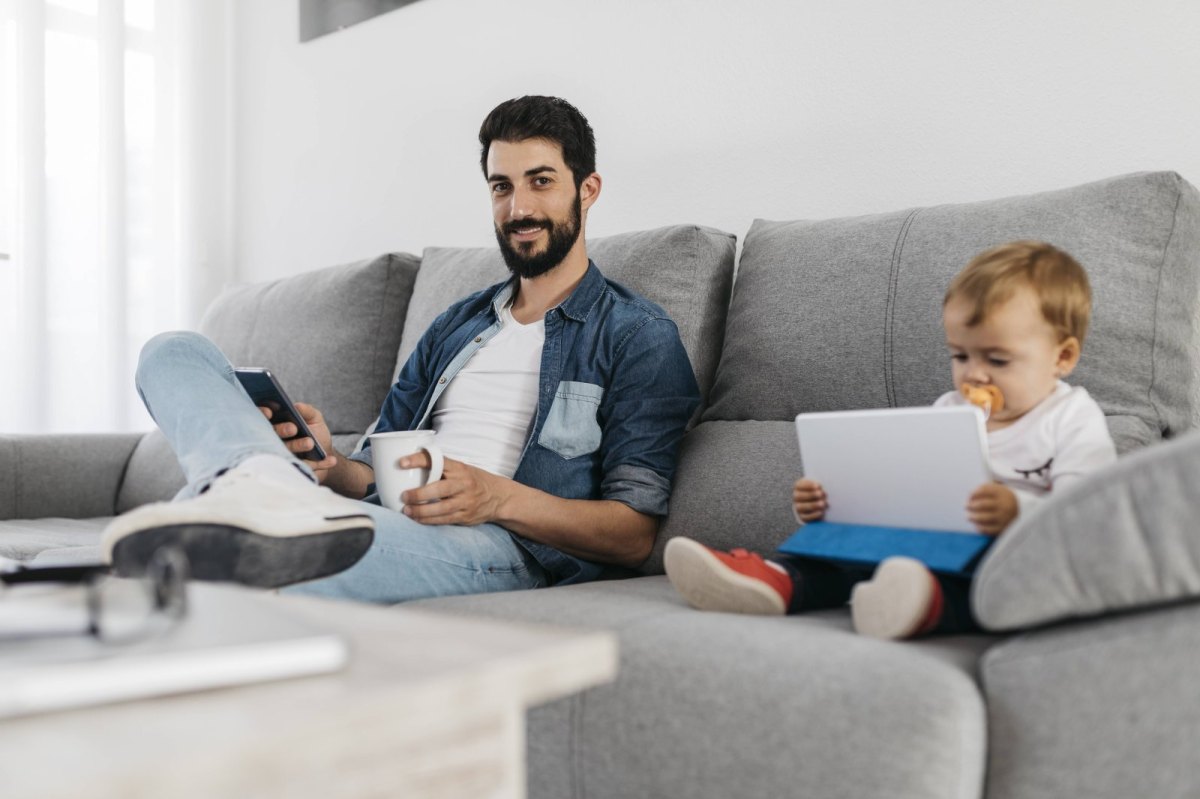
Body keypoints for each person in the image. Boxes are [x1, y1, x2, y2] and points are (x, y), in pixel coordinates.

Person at [102, 95, 701, 603]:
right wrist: (328, 463)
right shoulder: (457, 325)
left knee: (266, 551)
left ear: (586, 189)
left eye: (540, 182)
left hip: (501, 546)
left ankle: (254, 501)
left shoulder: (636, 333)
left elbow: (634, 535)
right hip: (389, 516)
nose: (518, 208)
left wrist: (495, 496)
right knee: (173, 350)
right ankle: (264, 481)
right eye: (501, 187)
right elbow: (372, 472)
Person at [664, 240, 1117, 639]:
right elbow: (907, 490)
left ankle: (920, 603)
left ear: (1063, 356)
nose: (974, 374)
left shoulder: (1073, 418)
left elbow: (1086, 513)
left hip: (1012, 556)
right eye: (960, 355)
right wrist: (831, 502)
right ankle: (778, 581)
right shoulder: (950, 410)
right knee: (845, 548)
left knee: (997, 585)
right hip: (930, 543)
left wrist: (1017, 510)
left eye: (997, 360)